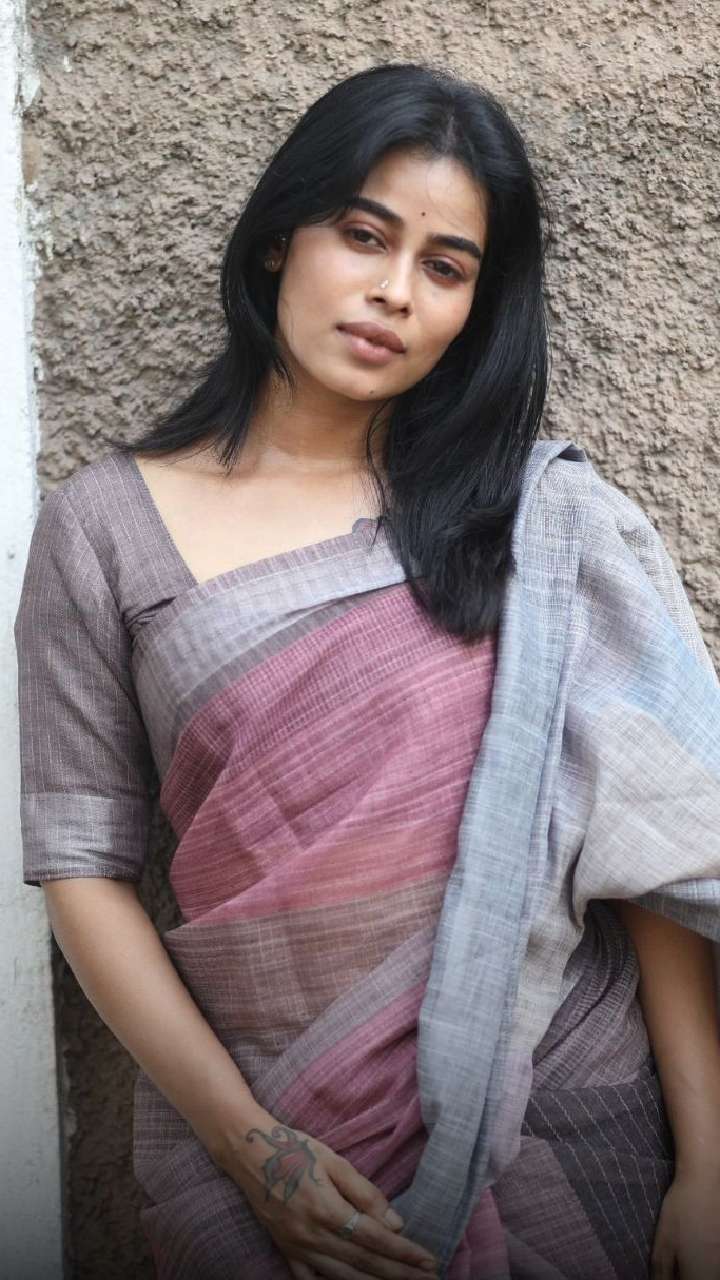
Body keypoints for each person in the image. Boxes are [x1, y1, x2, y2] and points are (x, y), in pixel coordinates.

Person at [13, 61, 720, 1280]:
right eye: (363, 235)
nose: (394, 290)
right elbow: (83, 871)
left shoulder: (542, 522)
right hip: (269, 1129)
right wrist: (255, 1153)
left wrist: (710, 1160)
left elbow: (651, 848)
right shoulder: (103, 528)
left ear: (476, 307)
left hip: (558, 1122)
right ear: (281, 237)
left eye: (445, 266)